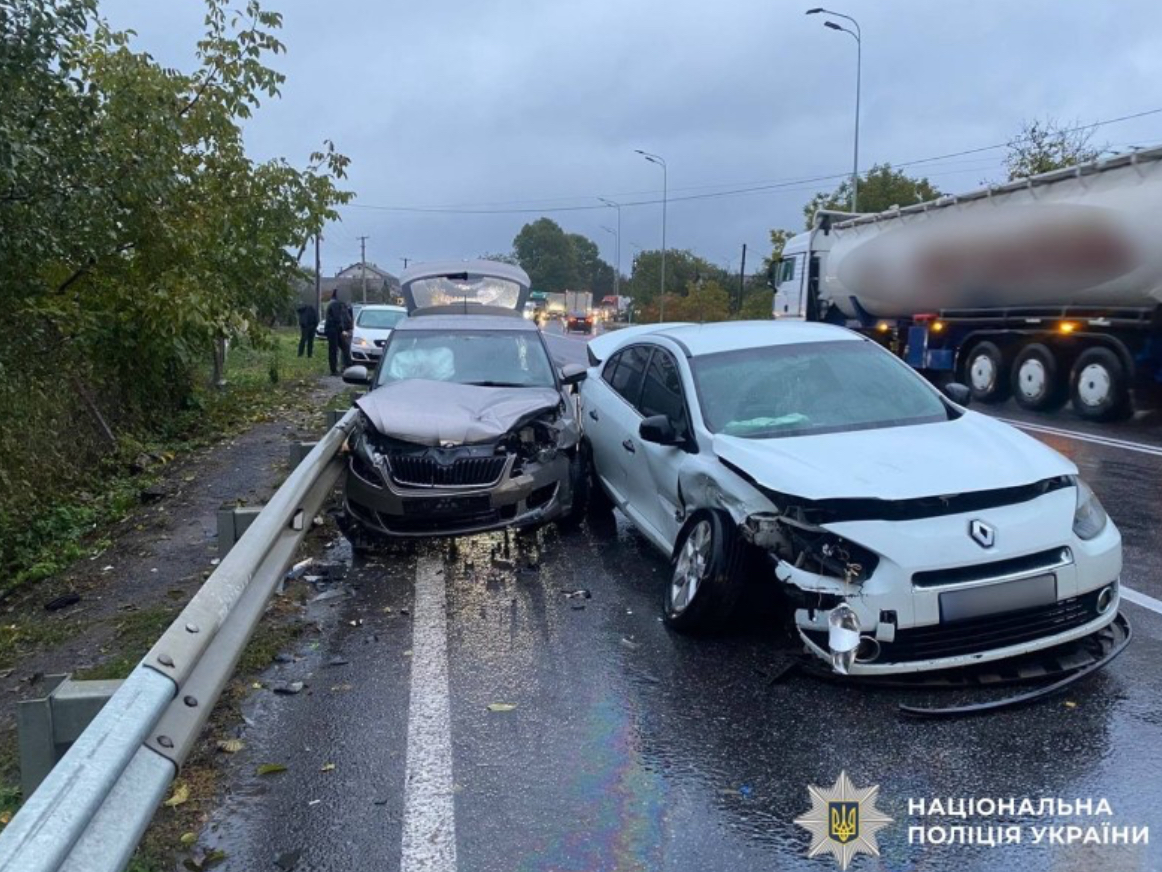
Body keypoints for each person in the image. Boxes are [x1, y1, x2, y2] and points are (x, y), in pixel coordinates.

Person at [324, 289, 347, 375]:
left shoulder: (334, 303)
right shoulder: (335, 304)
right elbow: (337, 318)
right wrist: (342, 330)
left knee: (341, 348)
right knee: (334, 349)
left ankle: (340, 367)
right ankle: (334, 370)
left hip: (333, 329)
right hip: (333, 329)